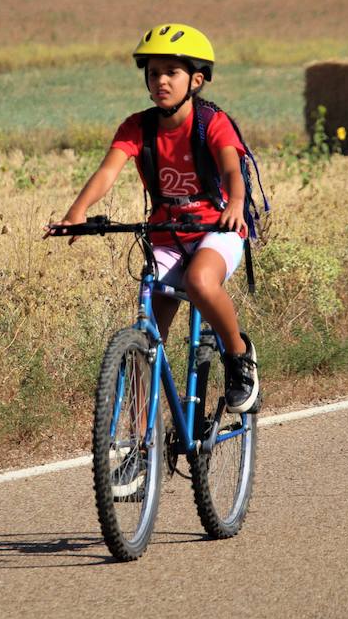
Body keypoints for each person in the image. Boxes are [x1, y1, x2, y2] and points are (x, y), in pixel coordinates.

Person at [48, 23, 259, 413]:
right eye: (153, 72)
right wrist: (77, 213)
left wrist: (236, 203)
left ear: (196, 80)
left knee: (199, 281)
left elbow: (231, 168)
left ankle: (239, 356)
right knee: (150, 324)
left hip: (217, 228)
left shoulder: (211, 123)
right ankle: (140, 435)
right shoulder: (137, 126)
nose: (161, 80)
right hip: (167, 233)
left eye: (172, 73)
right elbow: (108, 171)